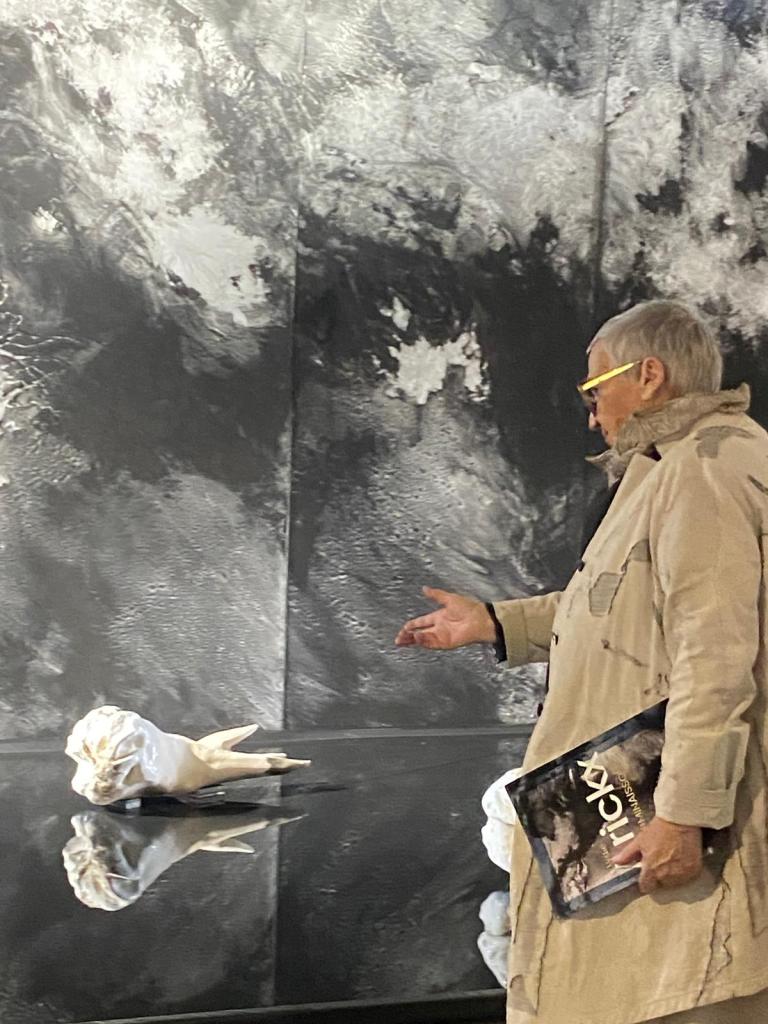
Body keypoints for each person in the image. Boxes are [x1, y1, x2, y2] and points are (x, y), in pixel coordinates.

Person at [395, 300, 768, 1024]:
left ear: (649, 375)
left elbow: (716, 656)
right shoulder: (670, 467)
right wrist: (493, 622)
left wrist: (684, 816)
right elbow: (614, 602)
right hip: (632, 813)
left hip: (667, 833)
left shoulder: (706, 468)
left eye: (595, 391)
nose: (592, 416)